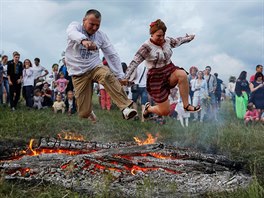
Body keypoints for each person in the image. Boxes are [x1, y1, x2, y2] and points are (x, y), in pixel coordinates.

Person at [65, 9, 137, 121]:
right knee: (83, 113)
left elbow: (112, 54)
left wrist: (120, 76)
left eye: (97, 25)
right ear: (84, 20)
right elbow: (71, 33)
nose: (94, 28)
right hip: (78, 72)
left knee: (106, 74)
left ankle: (125, 108)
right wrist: (83, 40)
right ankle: (89, 111)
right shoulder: (75, 27)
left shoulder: (101, 36)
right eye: (91, 24)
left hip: (94, 67)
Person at [125, 19, 200, 120]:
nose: (161, 38)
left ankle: (186, 106)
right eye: (158, 36)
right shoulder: (146, 47)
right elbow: (134, 62)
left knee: (182, 74)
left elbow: (179, 41)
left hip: (169, 70)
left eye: (163, 35)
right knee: (165, 111)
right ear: (152, 34)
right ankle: (148, 109)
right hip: (156, 78)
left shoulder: (167, 41)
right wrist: (125, 77)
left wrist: (189, 38)